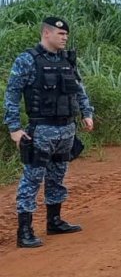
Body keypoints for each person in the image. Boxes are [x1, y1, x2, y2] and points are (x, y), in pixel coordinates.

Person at [4, 16, 95, 248]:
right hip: (41, 129)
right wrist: (14, 128)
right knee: (31, 180)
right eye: (60, 34)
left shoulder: (67, 60)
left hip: (66, 129)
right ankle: (24, 231)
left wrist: (87, 112)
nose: (65, 37)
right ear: (46, 33)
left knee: (57, 176)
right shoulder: (27, 61)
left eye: (66, 34)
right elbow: (12, 95)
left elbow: (78, 89)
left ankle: (54, 221)